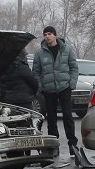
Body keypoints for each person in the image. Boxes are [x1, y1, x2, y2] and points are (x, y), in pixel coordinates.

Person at [32, 26, 79, 155]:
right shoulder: (39, 53)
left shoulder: (67, 50)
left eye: (49, 34)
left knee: (68, 117)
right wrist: (41, 87)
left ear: (55, 35)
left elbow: (74, 68)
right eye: (45, 34)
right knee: (51, 119)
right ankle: (54, 146)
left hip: (64, 88)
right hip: (49, 90)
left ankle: (73, 145)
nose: (47, 36)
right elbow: (36, 72)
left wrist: (71, 84)